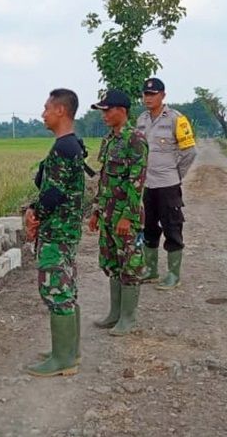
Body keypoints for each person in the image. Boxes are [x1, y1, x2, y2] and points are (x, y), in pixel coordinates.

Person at [24, 88, 85, 376]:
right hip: (66, 230)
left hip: (57, 231)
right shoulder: (71, 145)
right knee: (67, 288)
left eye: (47, 107)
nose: (43, 113)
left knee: (56, 289)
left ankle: (63, 360)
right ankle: (69, 350)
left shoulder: (63, 148)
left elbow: (52, 194)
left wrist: (34, 216)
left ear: (61, 110)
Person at [88, 89, 148, 336]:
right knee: (112, 263)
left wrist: (127, 216)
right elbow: (104, 180)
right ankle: (115, 313)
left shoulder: (135, 139)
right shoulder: (109, 140)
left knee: (130, 265)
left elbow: (137, 181)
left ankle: (128, 318)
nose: (103, 115)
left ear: (121, 111)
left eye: (107, 110)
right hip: (107, 214)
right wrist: (95, 211)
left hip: (125, 216)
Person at [136, 78, 197, 290]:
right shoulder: (141, 120)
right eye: (145, 94)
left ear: (163, 95)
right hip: (148, 184)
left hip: (168, 184)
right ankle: (151, 270)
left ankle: (173, 275)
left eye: (152, 94)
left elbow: (190, 152)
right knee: (149, 227)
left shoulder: (176, 119)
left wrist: (175, 174)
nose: (148, 98)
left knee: (172, 226)